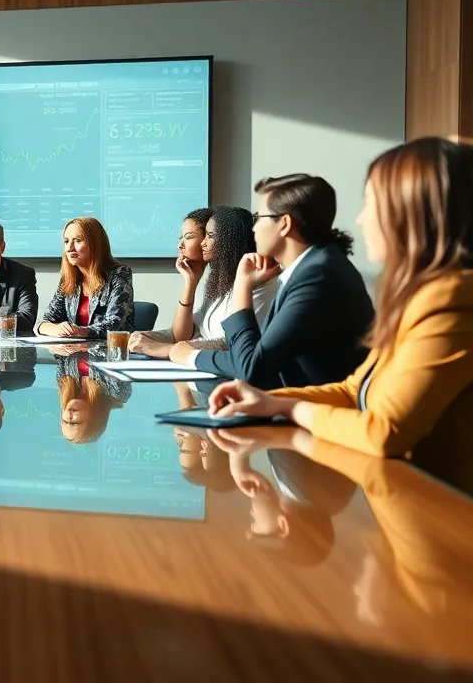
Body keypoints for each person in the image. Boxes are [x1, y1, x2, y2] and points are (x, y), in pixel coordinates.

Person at [206, 139, 473, 490]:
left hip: (436, 511)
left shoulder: (451, 299)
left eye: (371, 204)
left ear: (414, 214)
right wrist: (270, 401)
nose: (360, 220)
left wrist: (288, 409)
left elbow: (383, 432)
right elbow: (353, 390)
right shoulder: (420, 296)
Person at [169, 174, 374, 388]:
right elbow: (253, 355)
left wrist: (192, 356)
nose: (254, 228)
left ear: (284, 224)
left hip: (318, 411)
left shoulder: (316, 277)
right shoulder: (314, 267)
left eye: (259, 218)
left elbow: (252, 368)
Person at [132, 206, 277, 357]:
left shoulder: (260, 282)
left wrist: (166, 349)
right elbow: (185, 334)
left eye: (209, 235)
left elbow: (232, 343)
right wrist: (190, 283)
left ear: (228, 240)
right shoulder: (219, 280)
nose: (203, 243)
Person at [36, 217, 134, 338]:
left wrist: (79, 331)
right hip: (73, 352)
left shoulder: (120, 274)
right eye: (66, 241)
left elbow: (114, 324)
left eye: (78, 240)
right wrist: (55, 328)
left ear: (95, 244)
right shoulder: (69, 279)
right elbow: (43, 322)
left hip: (108, 353)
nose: (69, 248)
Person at [53, 348, 131, 443]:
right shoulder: (117, 393)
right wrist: (89, 346)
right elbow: (118, 351)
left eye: (65, 421)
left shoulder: (63, 383)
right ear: (94, 420)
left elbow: (60, 355)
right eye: (75, 422)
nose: (69, 416)